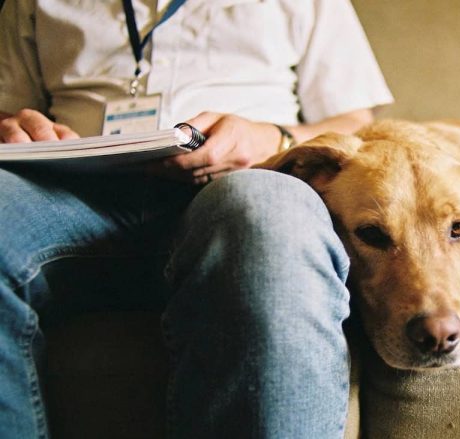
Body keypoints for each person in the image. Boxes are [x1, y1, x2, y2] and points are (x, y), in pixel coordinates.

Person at [0, 0, 392, 438]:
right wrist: (18, 126)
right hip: (69, 191)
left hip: (245, 181)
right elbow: (10, 109)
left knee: (269, 215)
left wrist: (277, 137)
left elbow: (357, 122)